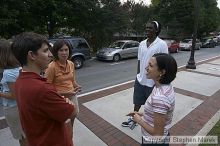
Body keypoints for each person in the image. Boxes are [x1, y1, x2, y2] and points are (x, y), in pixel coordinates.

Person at [11, 32, 77, 146]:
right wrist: (65, 100)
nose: (51, 54)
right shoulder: (42, 89)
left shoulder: (20, 81)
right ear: (32, 55)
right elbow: (72, 112)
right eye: (46, 50)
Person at [122, 21, 168, 127]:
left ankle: (150, 121)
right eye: (146, 28)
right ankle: (134, 118)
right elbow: (139, 60)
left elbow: (164, 63)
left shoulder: (162, 44)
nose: (147, 30)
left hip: (153, 82)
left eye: (150, 28)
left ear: (156, 30)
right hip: (141, 79)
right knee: (137, 100)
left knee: (152, 105)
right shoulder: (142, 43)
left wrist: (160, 81)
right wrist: (138, 75)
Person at [127, 53, 177, 146]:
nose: (146, 68)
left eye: (150, 65)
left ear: (161, 72)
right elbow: (159, 114)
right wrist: (140, 114)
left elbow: (158, 134)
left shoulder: (160, 97)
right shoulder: (163, 86)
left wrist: (139, 120)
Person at [45, 39, 81, 141]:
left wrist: (76, 86)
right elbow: (47, 89)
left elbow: (72, 80)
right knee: (62, 127)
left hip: (72, 98)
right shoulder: (51, 67)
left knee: (71, 125)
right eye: (61, 50)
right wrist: (65, 92)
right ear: (56, 51)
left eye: (66, 49)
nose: (64, 53)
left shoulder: (71, 63)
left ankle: (70, 140)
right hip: (59, 100)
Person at [0, 39, 26, 146]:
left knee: (22, 137)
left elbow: (14, 95)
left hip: (13, 109)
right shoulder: (19, 67)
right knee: (25, 135)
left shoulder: (8, 73)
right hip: (21, 107)